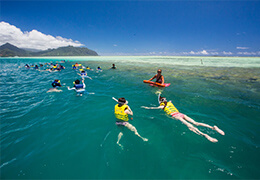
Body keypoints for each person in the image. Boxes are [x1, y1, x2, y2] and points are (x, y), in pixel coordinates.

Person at [141, 93, 225, 143]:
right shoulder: (170, 103)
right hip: (181, 114)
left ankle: (205, 135)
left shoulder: (162, 106)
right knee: (196, 123)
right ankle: (212, 127)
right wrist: (160, 96)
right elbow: (168, 100)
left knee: (191, 127)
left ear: (162, 102)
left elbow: (154, 108)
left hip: (176, 116)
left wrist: (146, 108)